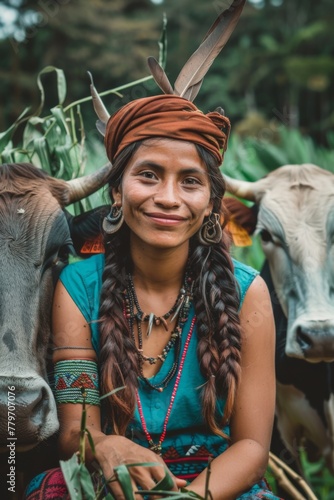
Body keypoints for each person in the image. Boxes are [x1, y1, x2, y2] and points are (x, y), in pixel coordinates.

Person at [24, 92, 279, 499]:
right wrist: (105, 445)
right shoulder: (77, 288)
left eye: (190, 181)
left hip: (215, 483)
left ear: (212, 202)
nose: (168, 197)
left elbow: (251, 448)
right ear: (116, 192)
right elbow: (76, 432)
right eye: (148, 175)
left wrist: (191, 497)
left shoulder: (248, 293)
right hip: (111, 478)